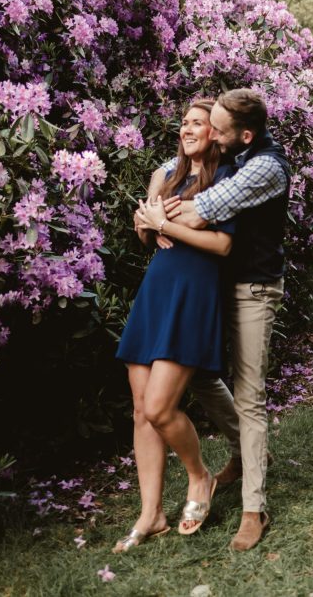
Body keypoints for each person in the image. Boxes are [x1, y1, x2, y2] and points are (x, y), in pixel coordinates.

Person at [148, 88, 290, 551]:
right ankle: (246, 452)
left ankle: (254, 508)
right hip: (213, 287)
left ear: (242, 134)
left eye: (218, 129)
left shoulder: (265, 166)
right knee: (202, 375)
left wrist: (160, 216)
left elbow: (200, 211)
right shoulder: (233, 155)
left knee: (249, 395)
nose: (209, 133)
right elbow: (173, 169)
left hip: (253, 289)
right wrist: (154, 198)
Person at [111, 99, 234, 553]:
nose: (187, 129)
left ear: (215, 132)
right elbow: (147, 233)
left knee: (161, 407)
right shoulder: (167, 175)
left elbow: (222, 245)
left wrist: (167, 222)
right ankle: (152, 514)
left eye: (197, 123)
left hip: (194, 292)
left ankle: (200, 477)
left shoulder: (227, 179)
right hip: (158, 287)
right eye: (184, 122)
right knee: (141, 409)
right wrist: (147, 223)